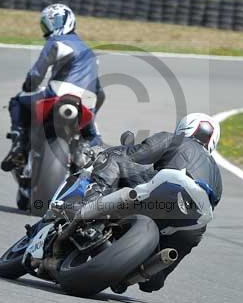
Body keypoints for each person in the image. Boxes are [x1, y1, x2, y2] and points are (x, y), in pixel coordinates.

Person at [86, 113, 223, 293]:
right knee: (153, 282)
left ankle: (91, 203)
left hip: (167, 188)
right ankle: (148, 270)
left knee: (114, 158)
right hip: (193, 221)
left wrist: (109, 152)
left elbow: (133, 157)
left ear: (184, 128)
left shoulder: (174, 139)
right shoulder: (217, 175)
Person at [1, 4, 104, 172]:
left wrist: (28, 85)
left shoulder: (55, 41)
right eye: (47, 24)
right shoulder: (90, 53)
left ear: (66, 20)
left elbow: (37, 72)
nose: (51, 28)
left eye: (54, 22)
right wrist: (92, 111)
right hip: (86, 102)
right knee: (94, 137)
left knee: (17, 101)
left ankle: (19, 145)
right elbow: (100, 93)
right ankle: (87, 155)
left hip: (58, 94)